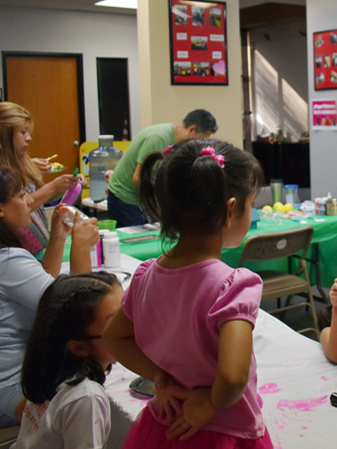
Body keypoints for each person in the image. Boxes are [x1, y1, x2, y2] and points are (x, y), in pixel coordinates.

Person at [103, 138, 273, 448]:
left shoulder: (146, 275)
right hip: (224, 431)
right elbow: (234, 378)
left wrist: (159, 378)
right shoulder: (233, 285)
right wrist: (210, 403)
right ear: (231, 210)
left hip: (166, 425)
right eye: (251, 205)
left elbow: (114, 338)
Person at [0, 167, 99, 430]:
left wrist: (58, 237)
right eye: (21, 195)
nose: (30, 201)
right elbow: (79, 310)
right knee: (85, 388)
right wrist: (81, 248)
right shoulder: (3, 261)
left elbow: (42, 284)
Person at [13, 272, 123, 449]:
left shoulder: (51, 365)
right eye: (114, 321)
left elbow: (20, 412)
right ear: (79, 347)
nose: (129, 324)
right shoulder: (86, 397)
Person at [0, 102, 82, 258]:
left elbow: (38, 197)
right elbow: (14, 208)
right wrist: (54, 187)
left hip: (36, 249)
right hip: (13, 253)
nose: (29, 138)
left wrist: (64, 185)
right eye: (23, 132)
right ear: (3, 134)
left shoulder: (18, 160)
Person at [107, 109, 218, 228]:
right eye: (202, 137)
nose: (200, 142)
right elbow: (139, 178)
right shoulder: (158, 138)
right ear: (191, 129)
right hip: (125, 199)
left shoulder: (179, 142)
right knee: (135, 243)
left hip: (145, 200)